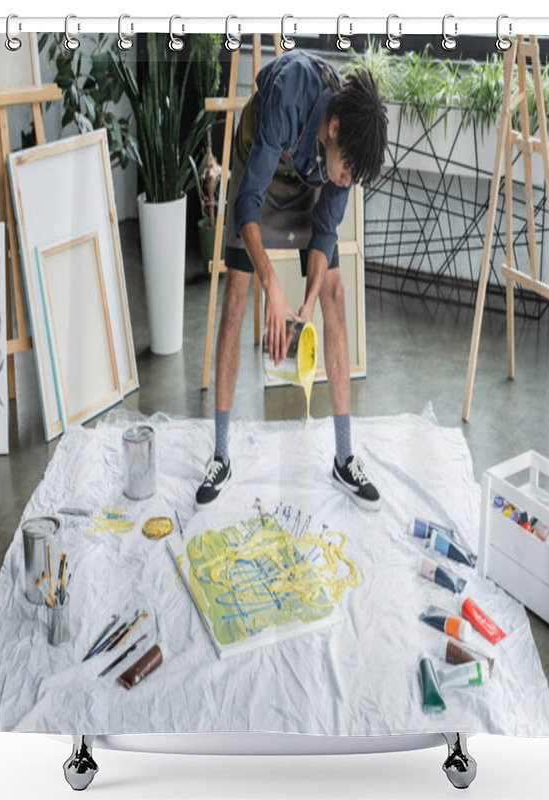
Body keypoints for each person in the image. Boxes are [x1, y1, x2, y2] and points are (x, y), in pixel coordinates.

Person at [195, 50, 388, 512]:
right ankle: (221, 453)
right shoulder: (290, 94)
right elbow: (246, 207)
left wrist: (304, 306)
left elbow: (324, 232)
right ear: (334, 128)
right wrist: (272, 286)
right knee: (238, 291)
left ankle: (344, 457)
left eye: (351, 177)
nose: (347, 181)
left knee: (334, 292)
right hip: (259, 156)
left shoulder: (345, 157)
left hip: (306, 174)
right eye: (347, 172)